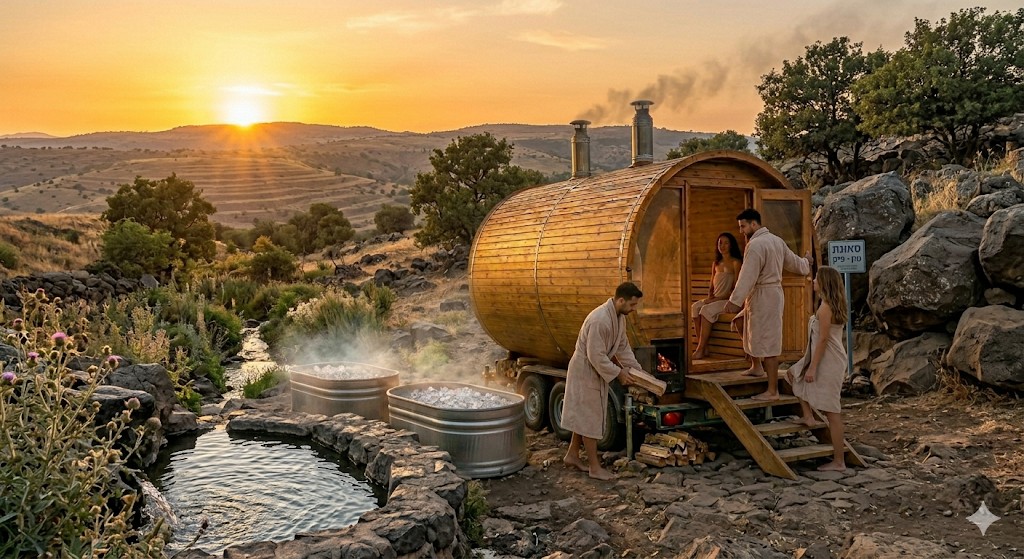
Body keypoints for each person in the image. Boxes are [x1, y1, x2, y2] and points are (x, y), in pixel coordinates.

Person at [722, 208, 812, 401]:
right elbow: (796, 263)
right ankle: (756, 366)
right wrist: (806, 262)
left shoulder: (756, 245)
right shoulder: (776, 241)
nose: (741, 231)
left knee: (770, 341)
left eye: (743, 226)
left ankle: (772, 391)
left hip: (766, 295)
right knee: (741, 322)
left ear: (754, 224)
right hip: (766, 295)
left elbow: (747, 276)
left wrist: (734, 301)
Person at [562, 282, 642, 480]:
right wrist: (619, 373)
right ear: (620, 300)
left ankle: (572, 455)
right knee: (590, 418)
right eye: (632, 304)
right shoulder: (600, 320)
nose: (634, 309)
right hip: (585, 370)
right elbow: (595, 355)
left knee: (585, 414)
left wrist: (638, 372)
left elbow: (623, 348)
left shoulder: (619, 319)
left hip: (596, 369)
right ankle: (594, 467)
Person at [787, 266, 849, 471]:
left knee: (832, 411)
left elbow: (823, 340)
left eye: (816, 278)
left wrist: (812, 367)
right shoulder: (827, 305)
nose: (813, 281)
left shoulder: (825, 309)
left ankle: (839, 461)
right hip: (826, 357)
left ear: (824, 283)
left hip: (829, 360)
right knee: (793, 374)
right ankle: (808, 416)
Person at [691, 233, 743, 360]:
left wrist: (715, 300)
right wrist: (709, 297)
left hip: (728, 300)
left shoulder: (736, 262)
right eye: (720, 243)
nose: (722, 246)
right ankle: (703, 346)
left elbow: (735, 289)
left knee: (706, 310)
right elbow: (711, 286)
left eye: (726, 243)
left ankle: (700, 349)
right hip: (715, 299)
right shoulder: (716, 263)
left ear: (731, 245)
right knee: (695, 307)